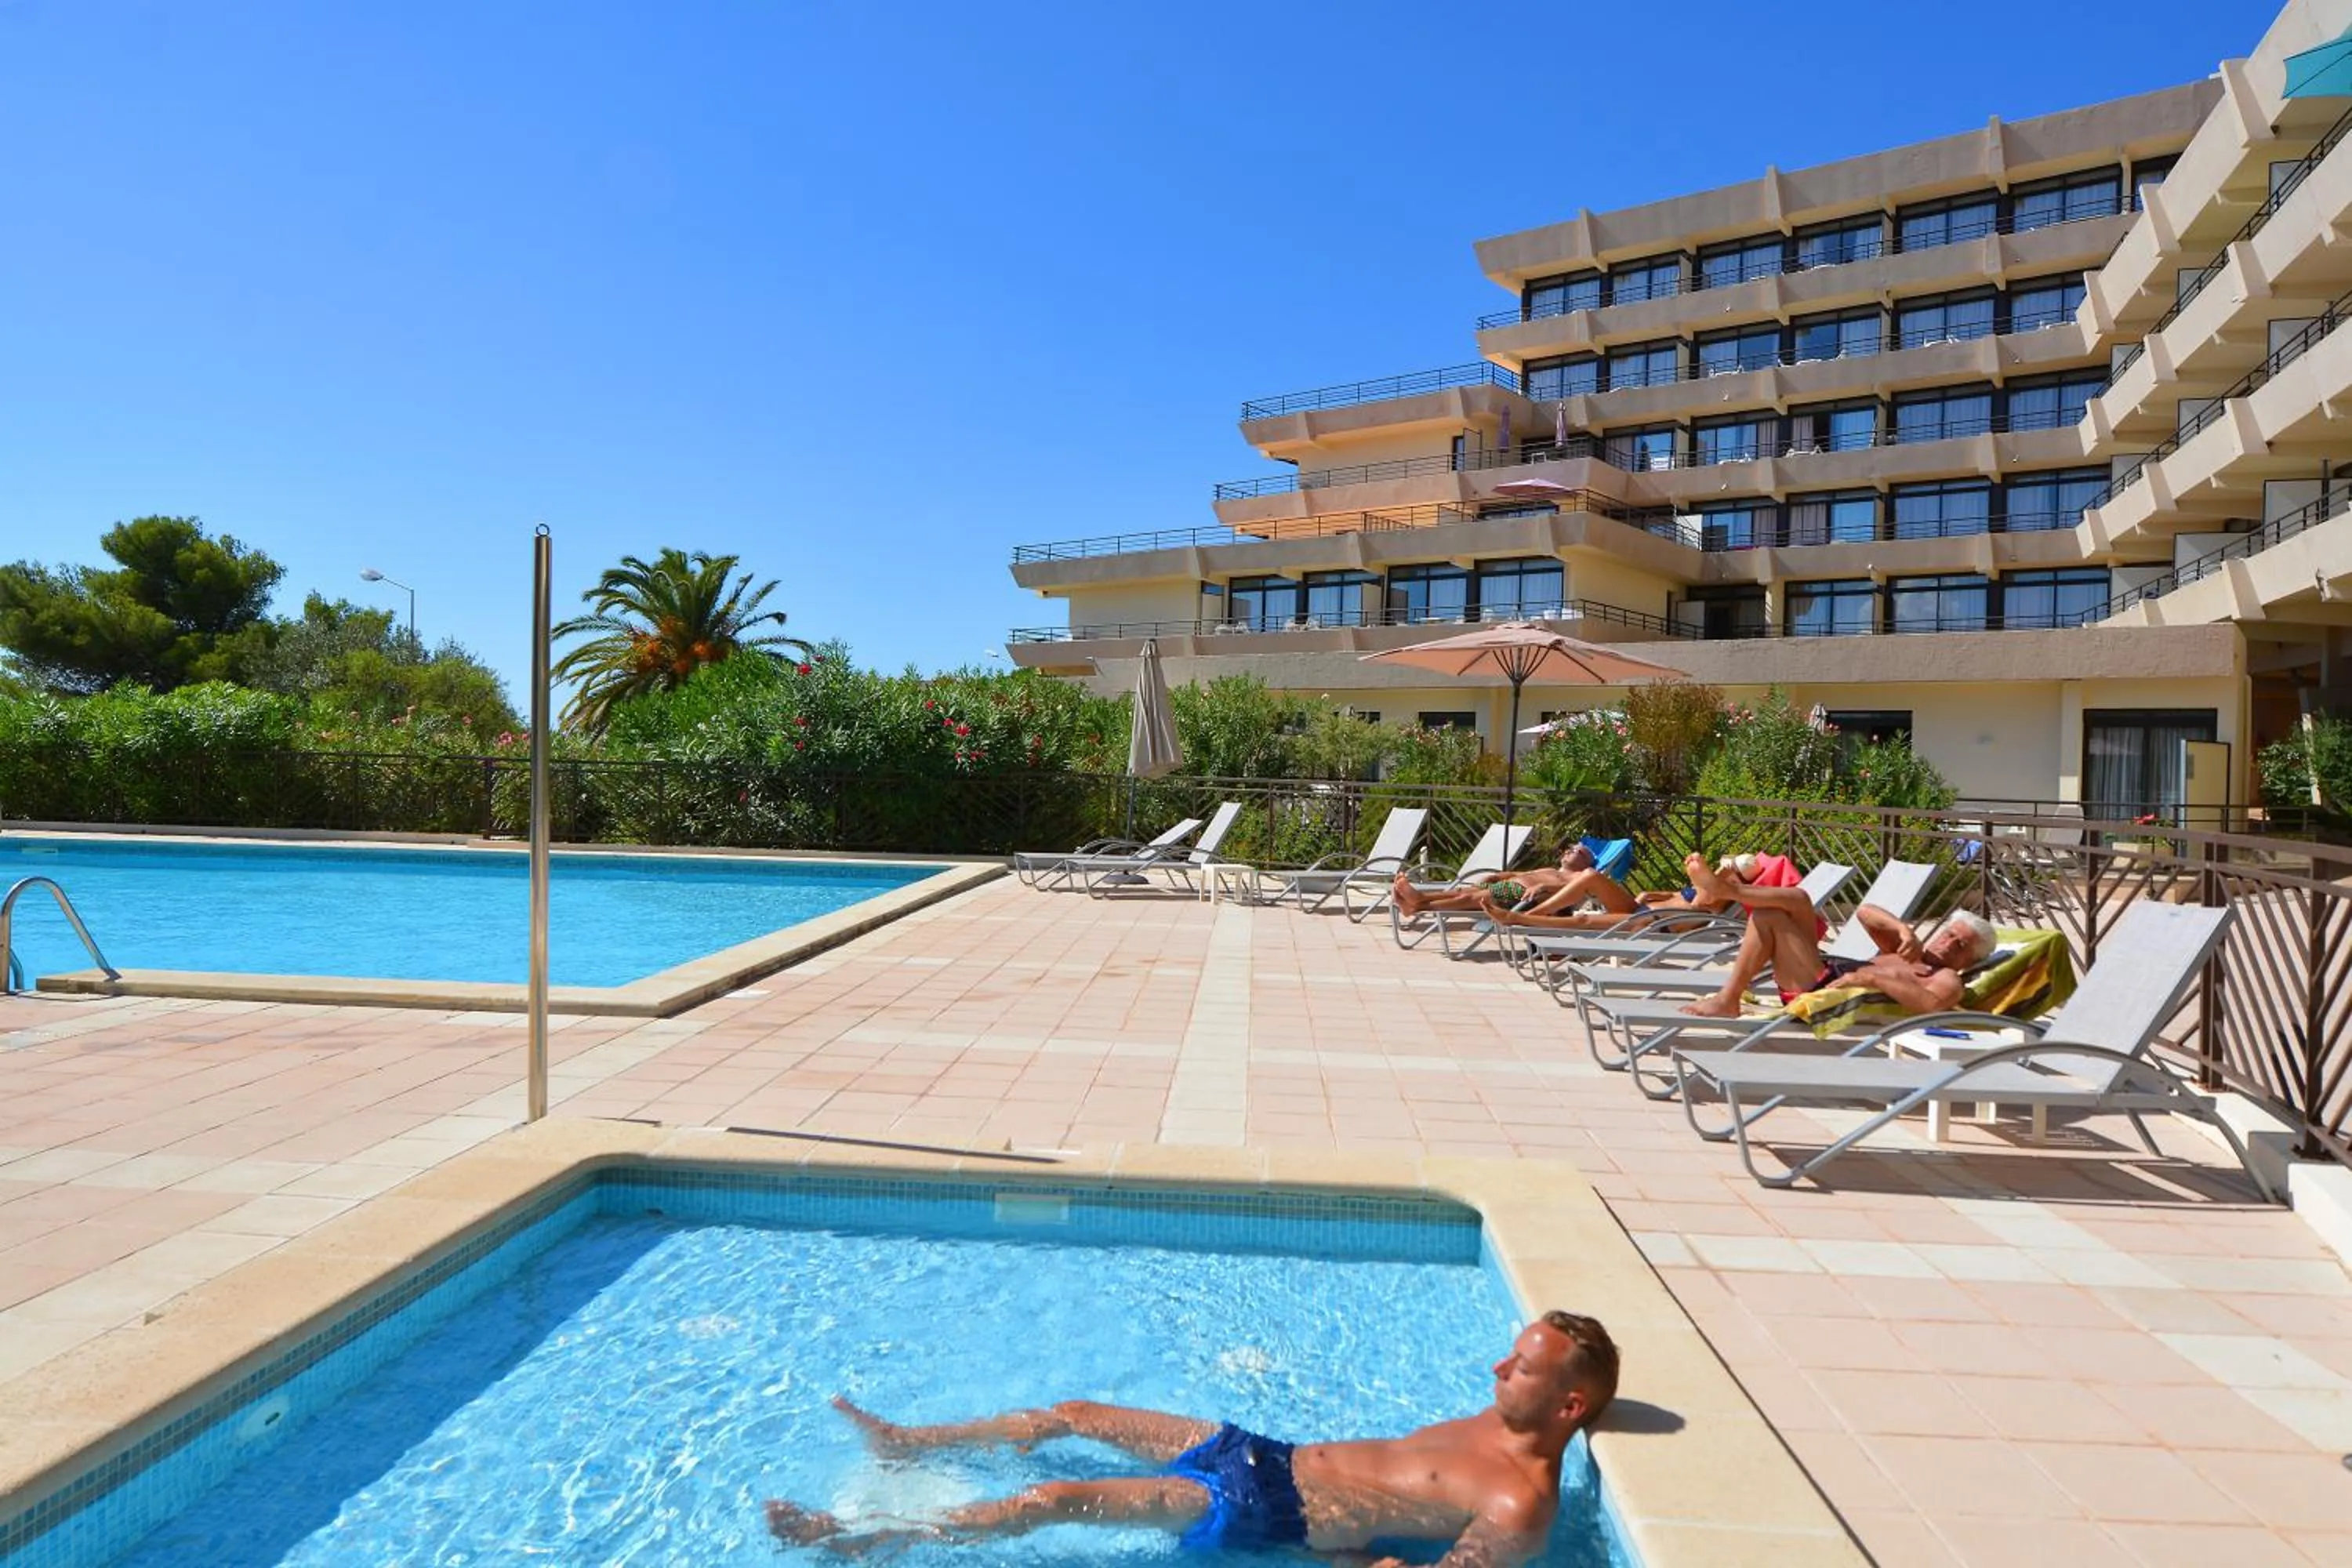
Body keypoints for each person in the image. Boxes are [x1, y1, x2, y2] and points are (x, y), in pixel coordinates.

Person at [763, 1311, 1621, 1565]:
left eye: (1520, 1366)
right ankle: (908, 1443)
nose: (1496, 1365)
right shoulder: (1501, 1417)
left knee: (1054, 1497)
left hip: (1266, 1507)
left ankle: (865, 1539)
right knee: (1076, 1409)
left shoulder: (1520, 1500)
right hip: (1263, 1452)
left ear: (1570, 1405)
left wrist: (1336, 1554)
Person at [1672, 851, 1997, 1018]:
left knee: (1769, 915)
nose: (1948, 942)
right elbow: (1866, 912)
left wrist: (1874, 980)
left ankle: (1728, 999)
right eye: (1949, 934)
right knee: (1799, 899)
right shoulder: (1907, 952)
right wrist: (1901, 929)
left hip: (1823, 988)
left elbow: (1930, 1005)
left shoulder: (1947, 979)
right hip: (1824, 969)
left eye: (1961, 944)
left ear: (1969, 961)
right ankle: (1723, 891)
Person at [1477, 851, 1776, 933]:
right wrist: (1653, 894)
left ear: (1738, 878)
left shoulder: (1722, 893)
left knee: (1582, 921)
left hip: (1652, 925)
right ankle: (1531, 912)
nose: (1723, 869)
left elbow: (1698, 905)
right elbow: (1680, 894)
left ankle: (1521, 920)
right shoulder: (1715, 884)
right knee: (1590, 875)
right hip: (1644, 909)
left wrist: (1704, 875)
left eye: (1729, 868)